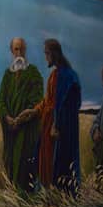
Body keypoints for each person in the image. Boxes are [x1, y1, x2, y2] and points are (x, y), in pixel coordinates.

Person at [0, 36, 44, 193]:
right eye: (16, 49)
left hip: (27, 129)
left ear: (25, 50)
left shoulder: (34, 73)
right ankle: (11, 197)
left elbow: (37, 100)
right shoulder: (7, 75)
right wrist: (7, 117)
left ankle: (25, 199)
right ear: (12, 51)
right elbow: (1, 101)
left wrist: (22, 118)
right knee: (10, 161)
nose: (19, 52)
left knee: (25, 163)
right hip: (11, 130)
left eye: (22, 48)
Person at [39, 39, 81, 194]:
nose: (46, 57)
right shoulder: (54, 75)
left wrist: (56, 124)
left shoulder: (67, 75)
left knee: (61, 163)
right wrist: (35, 111)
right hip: (52, 125)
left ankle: (61, 196)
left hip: (62, 129)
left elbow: (66, 104)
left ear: (54, 54)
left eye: (47, 53)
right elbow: (49, 100)